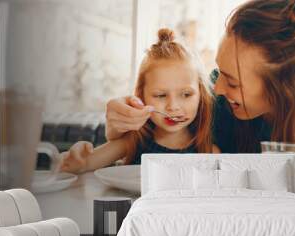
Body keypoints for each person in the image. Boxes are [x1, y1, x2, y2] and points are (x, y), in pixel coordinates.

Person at [104, 0, 295, 153]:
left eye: (233, 81)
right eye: (220, 72)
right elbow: (145, 140)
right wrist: (117, 125)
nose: (218, 87)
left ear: (282, 87)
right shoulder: (214, 104)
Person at [60, 28, 219, 174]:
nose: (173, 107)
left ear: (201, 96)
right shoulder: (132, 142)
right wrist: (77, 158)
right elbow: (84, 163)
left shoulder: (209, 153)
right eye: (160, 95)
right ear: (141, 97)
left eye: (186, 94)